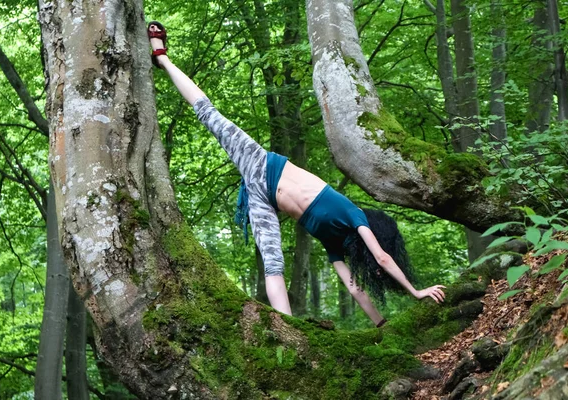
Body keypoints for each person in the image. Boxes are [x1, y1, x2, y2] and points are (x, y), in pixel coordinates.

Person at [148, 21, 446, 326]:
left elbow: (354, 287)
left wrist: (381, 325)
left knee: (273, 265)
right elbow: (382, 257)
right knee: (210, 115)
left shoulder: (336, 244)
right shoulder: (354, 214)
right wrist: (416, 291)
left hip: (263, 198)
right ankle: (163, 58)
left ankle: (287, 330)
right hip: (263, 165)